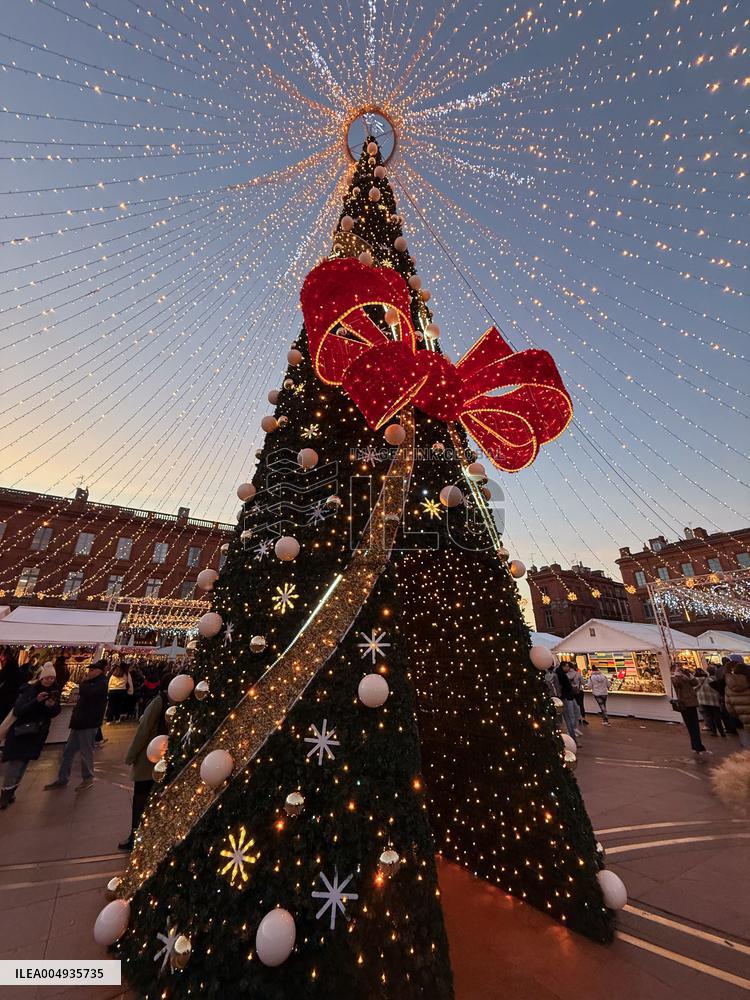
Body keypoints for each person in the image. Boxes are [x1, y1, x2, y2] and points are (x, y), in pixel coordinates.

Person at [118, 676, 170, 851]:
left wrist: (131, 755)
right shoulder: (174, 702)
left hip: (150, 757)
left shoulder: (159, 701)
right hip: (163, 756)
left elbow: (144, 729)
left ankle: (136, 835)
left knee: (141, 797)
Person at [1, 663, 60, 808]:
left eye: (52, 678)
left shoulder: (54, 692)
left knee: (22, 765)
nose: (49, 681)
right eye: (47, 678)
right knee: (15, 764)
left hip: (36, 734)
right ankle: (5, 794)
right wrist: (36, 701)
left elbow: (53, 713)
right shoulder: (28, 690)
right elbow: (19, 710)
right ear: (41, 678)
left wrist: (51, 706)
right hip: (21, 732)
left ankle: (11, 792)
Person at [44, 659, 108, 791]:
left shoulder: (101, 683)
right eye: (89, 669)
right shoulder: (91, 683)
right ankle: (62, 778)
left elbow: (87, 693)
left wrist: (83, 683)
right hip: (79, 722)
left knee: (86, 752)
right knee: (68, 751)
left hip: (88, 723)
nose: (89, 672)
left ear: (99, 671)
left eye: (92, 670)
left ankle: (88, 778)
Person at [671, 663, 709, 755]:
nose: (680, 669)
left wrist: (689, 675)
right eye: (678, 668)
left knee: (694, 726)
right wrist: (677, 674)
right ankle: (699, 747)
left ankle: (696, 746)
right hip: (685, 704)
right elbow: (677, 684)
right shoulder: (674, 678)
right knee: (693, 726)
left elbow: (695, 683)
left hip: (691, 703)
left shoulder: (685, 676)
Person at [724, 656, 750, 750]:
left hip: (741, 720)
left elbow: (729, 708)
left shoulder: (729, 687)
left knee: (746, 745)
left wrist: (740, 715)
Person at [555, 661, 582, 742]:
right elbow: (566, 686)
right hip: (566, 697)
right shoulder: (561, 674)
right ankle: (572, 736)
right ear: (563, 666)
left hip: (564, 697)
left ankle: (571, 734)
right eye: (567, 666)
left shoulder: (559, 673)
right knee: (570, 717)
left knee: (569, 717)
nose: (568, 668)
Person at [696, 666, 725, 737]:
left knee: (709, 716)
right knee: (716, 716)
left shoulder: (696, 680)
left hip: (703, 700)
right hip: (713, 700)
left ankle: (713, 731)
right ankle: (721, 731)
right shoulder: (712, 679)